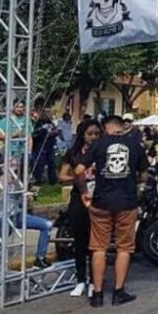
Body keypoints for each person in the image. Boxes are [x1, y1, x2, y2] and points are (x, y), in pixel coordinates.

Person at [74, 115, 148, 307]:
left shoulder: (98, 145)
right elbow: (144, 174)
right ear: (121, 127)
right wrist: (135, 182)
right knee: (124, 247)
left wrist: (83, 192)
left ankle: (97, 294)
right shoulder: (135, 145)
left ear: (106, 128)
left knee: (98, 247)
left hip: (101, 201)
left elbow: (78, 170)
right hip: (127, 202)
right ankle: (118, 291)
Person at [58, 119, 102, 296]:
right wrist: (79, 177)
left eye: (96, 134)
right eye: (90, 134)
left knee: (96, 242)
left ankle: (94, 280)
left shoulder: (103, 152)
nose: (93, 137)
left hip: (99, 198)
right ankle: (80, 280)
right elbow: (62, 175)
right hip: (79, 198)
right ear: (82, 135)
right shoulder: (74, 153)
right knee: (80, 241)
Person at [31, 109, 60, 185]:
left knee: (52, 163)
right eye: (44, 112)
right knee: (39, 163)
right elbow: (34, 134)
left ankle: (52, 180)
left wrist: (54, 133)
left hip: (50, 145)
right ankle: (39, 180)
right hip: (39, 146)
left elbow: (56, 131)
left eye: (48, 112)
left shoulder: (51, 123)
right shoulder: (37, 123)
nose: (46, 114)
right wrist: (43, 131)